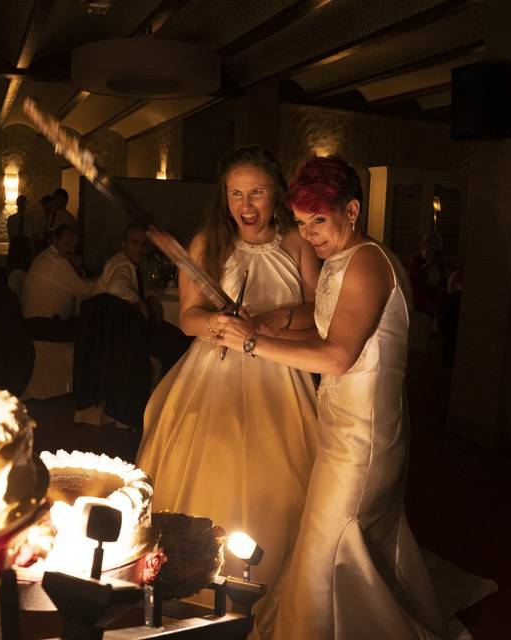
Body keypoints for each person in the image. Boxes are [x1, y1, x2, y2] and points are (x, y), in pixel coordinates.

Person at [218, 156, 491, 640]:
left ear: (352, 209)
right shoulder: (345, 257)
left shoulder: (366, 262)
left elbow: (339, 356)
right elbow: (327, 324)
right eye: (302, 224)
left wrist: (251, 343)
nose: (310, 235)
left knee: (327, 550)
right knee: (354, 540)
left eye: (318, 221)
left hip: (362, 441)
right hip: (352, 427)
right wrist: (273, 321)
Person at [136, 145, 320, 640]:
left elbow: (317, 313)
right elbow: (187, 317)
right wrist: (215, 322)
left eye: (256, 192)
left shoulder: (298, 245)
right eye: (236, 193)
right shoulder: (205, 245)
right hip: (212, 372)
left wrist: (268, 321)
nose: (246, 203)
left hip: (278, 369)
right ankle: (192, 584)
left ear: (276, 193)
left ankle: (267, 583)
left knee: (281, 476)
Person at [96, 223, 190, 373]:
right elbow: (116, 287)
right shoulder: (123, 265)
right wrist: (138, 301)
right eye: (135, 242)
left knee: (176, 337)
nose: (140, 248)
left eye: (144, 244)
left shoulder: (128, 263)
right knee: (178, 341)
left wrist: (148, 297)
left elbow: (135, 286)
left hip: (123, 330)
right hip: (121, 334)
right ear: (124, 244)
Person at [20, 224, 94, 342]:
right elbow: (86, 291)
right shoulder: (58, 262)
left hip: (31, 323)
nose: (71, 249)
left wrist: (78, 269)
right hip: (44, 327)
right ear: (55, 240)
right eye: (67, 243)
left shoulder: (44, 255)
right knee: (92, 330)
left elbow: (74, 282)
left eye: (74, 245)